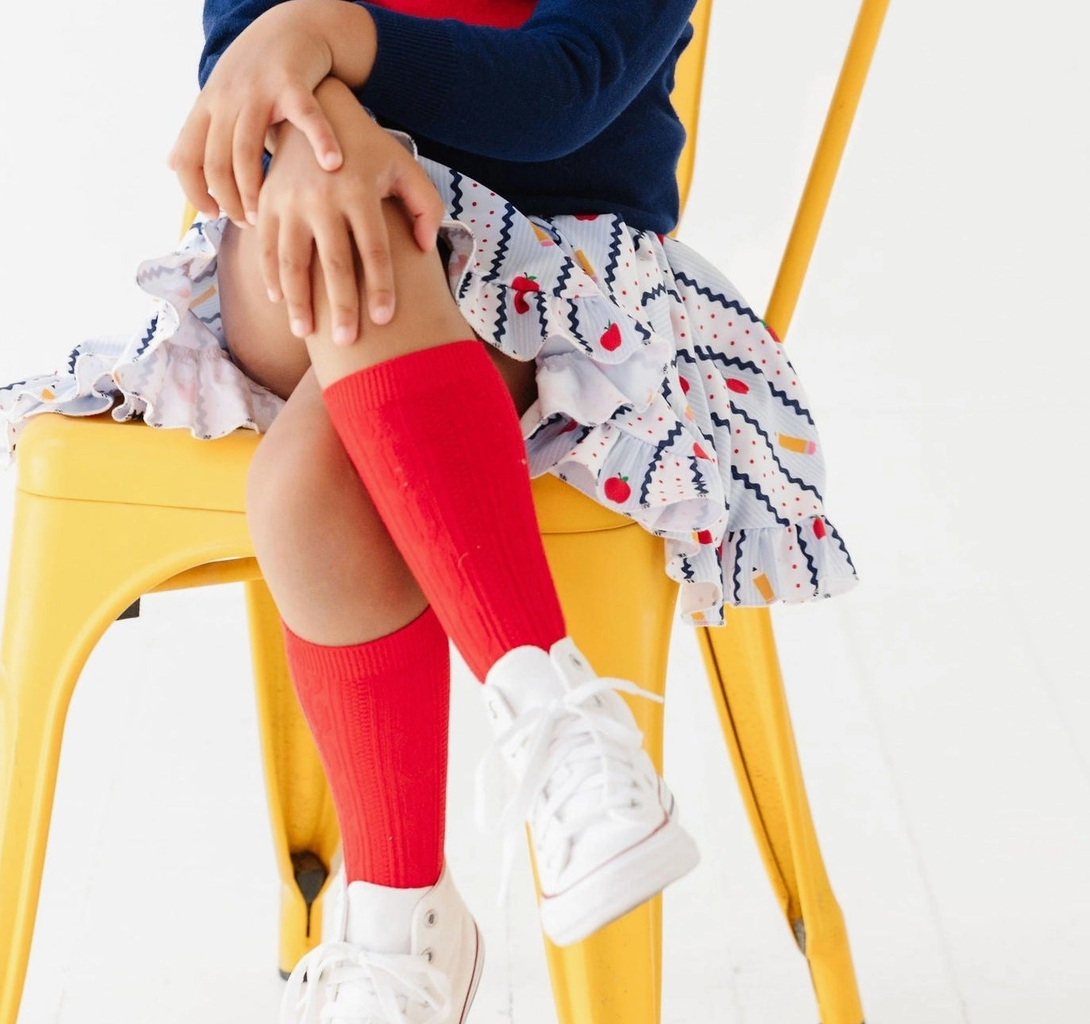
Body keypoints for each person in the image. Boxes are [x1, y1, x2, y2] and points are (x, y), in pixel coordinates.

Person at [0, 0, 858, 1020]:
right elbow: (242, 58)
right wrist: (329, 119)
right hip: (294, 235)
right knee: (333, 188)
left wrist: (322, 36)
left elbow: (562, 87)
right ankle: (556, 710)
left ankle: (398, 927)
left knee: (303, 488)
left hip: (546, 278)